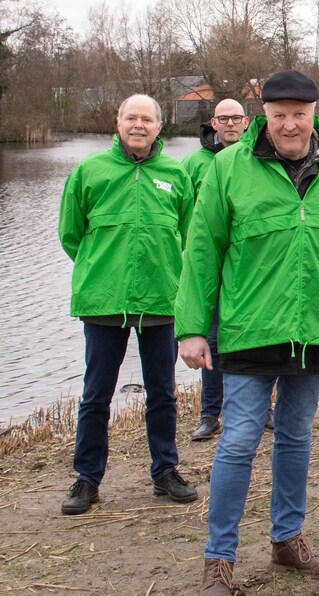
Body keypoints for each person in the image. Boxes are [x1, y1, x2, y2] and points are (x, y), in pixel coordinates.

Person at [175, 70, 319, 595]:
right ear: (262, 118)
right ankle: (218, 559)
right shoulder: (228, 169)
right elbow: (202, 251)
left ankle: (287, 540)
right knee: (240, 439)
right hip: (250, 327)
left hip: (317, 327)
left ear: (315, 113)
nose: (289, 125)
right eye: (279, 116)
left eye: (299, 114)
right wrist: (191, 329)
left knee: (296, 436)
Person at [57, 94, 198, 515]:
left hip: (161, 301)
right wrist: (100, 271)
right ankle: (87, 479)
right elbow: (71, 235)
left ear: (160, 126)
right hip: (104, 302)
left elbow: (190, 239)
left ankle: (165, 471)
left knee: (162, 393)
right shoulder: (89, 171)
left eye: (147, 119)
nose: (139, 125)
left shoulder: (175, 174)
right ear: (117, 123)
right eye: (131, 117)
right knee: (95, 394)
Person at [181, 99, 273, 441]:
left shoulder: (259, 160)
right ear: (213, 122)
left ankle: (264, 409)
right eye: (224, 118)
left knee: (259, 336)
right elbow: (183, 216)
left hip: (248, 270)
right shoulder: (194, 163)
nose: (231, 124)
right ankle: (209, 414)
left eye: (236, 118)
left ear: (247, 122)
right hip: (211, 268)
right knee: (214, 341)